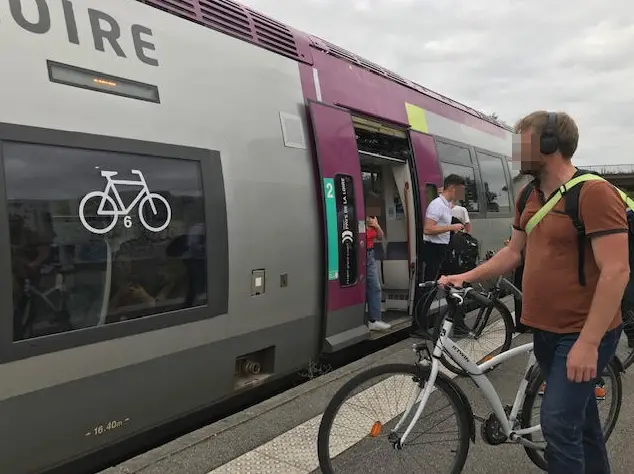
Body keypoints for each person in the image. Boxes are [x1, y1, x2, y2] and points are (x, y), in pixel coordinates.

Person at [439, 110, 628, 474]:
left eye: (521, 139)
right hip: (544, 330)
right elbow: (513, 252)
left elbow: (617, 270)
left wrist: (588, 343)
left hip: (583, 333)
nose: (514, 149)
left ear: (548, 144)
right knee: (583, 422)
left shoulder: (594, 194)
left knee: (557, 424)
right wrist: (464, 276)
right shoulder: (529, 194)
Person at [416, 174, 466, 330]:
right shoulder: (437, 205)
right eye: (460, 191)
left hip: (443, 250)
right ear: (452, 188)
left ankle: (457, 323)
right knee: (429, 290)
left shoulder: (445, 204)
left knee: (453, 285)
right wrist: (452, 227)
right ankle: (420, 326)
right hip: (434, 250)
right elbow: (428, 228)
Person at [366, 214, 390, 331]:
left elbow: (380, 237)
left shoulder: (371, 222)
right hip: (360, 254)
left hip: (370, 255)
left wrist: (376, 225)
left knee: (375, 287)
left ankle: (374, 320)